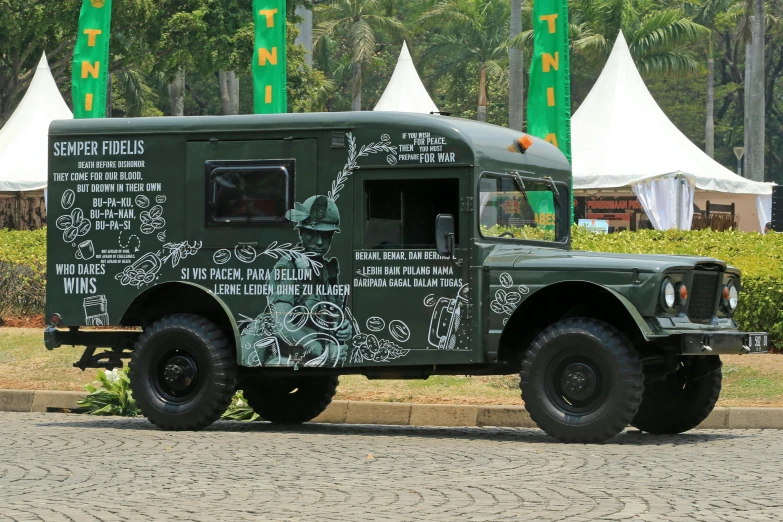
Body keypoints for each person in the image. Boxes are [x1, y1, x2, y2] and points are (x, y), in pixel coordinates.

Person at [243, 195, 353, 367]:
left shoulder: (328, 270)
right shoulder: (288, 266)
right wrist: (321, 351)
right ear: (301, 233)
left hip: (306, 350)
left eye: (326, 235)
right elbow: (281, 326)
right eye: (312, 234)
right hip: (277, 353)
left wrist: (343, 328)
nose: (319, 242)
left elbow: (334, 314)